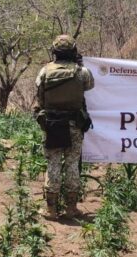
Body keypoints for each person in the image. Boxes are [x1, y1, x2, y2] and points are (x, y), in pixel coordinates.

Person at [34, 35, 94, 219]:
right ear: (73, 51)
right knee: (72, 164)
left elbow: (39, 95)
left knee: (53, 164)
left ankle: (51, 209)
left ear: (54, 51)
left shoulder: (45, 71)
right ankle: (71, 208)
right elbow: (90, 85)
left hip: (52, 124)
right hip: (74, 124)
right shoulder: (82, 72)